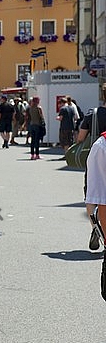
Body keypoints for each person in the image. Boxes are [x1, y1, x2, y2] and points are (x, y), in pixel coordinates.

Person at [78, 89, 106, 250]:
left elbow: (81, 137)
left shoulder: (93, 114)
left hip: (98, 156)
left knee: (93, 194)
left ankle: (96, 227)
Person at [85, 129, 106, 252]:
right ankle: (96, 229)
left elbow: (81, 136)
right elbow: (103, 201)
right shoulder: (102, 146)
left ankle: (95, 228)